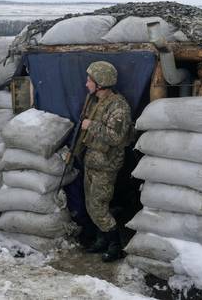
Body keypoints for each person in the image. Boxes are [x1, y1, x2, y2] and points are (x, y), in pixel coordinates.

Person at [79, 61, 132, 262]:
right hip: (92, 162)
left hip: (105, 165)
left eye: (89, 80)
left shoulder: (118, 106)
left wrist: (90, 125)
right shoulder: (95, 102)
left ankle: (115, 245)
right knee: (91, 205)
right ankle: (102, 241)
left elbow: (115, 138)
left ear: (101, 83)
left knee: (99, 206)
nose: (86, 84)